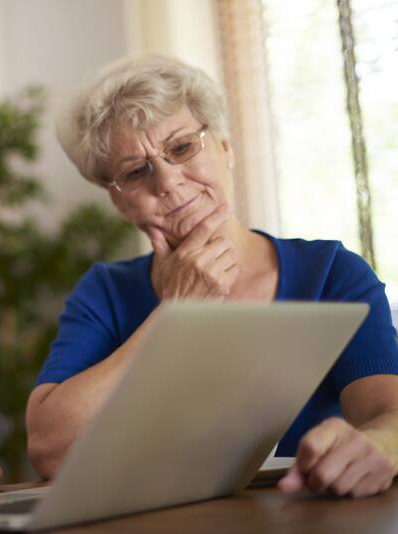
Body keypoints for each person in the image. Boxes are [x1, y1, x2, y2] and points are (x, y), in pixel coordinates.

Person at [26, 55, 398, 499]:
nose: (167, 181)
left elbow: (387, 413)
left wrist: (380, 444)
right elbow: (50, 448)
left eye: (181, 148)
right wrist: (175, 314)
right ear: (120, 202)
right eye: (135, 171)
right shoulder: (106, 292)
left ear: (225, 147)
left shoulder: (330, 272)